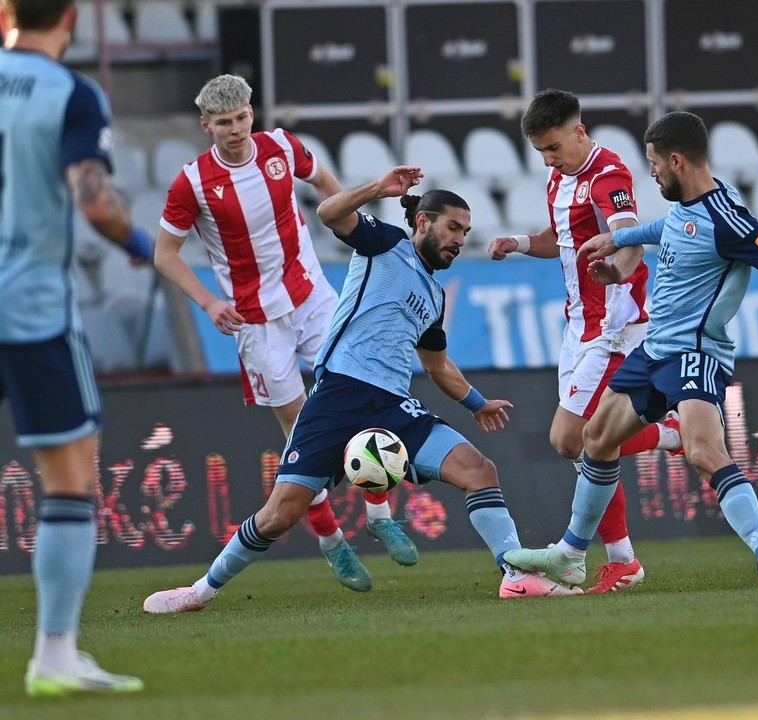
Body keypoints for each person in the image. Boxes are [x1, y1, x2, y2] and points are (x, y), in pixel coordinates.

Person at [142, 165, 581, 615]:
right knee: (280, 514)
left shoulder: (435, 295)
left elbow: (437, 365)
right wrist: (376, 189)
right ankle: (200, 591)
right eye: (452, 227)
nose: (459, 238)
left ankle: (516, 577)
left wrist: (477, 402)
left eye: (465, 231)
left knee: (479, 469)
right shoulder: (386, 243)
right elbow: (331, 214)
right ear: (424, 221)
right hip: (337, 397)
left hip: (392, 404)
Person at [505, 111, 758, 590]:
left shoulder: (730, 220)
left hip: (695, 352)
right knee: (595, 439)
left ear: (676, 161)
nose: (650, 172)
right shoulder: (689, 205)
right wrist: (618, 238)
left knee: (704, 452)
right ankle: (570, 555)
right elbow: (670, 229)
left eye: (654, 163)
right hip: (653, 350)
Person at [154, 74, 417, 593]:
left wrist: (360, 233)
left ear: (253, 112)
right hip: (254, 319)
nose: (235, 130)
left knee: (362, 394)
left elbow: (324, 186)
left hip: (313, 298)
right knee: (300, 433)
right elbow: (165, 253)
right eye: (224, 123)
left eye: (242, 117)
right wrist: (209, 302)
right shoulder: (193, 182)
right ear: (207, 125)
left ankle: (380, 512)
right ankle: (331, 542)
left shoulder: (280, 146)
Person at [0, 0, 150, 696]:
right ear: (69, 16)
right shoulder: (71, 94)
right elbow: (94, 200)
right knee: (67, 479)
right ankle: (55, 656)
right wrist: (140, 246)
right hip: (28, 308)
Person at [488, 89, 681, 593]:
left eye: (553, 147)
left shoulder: (609, 176)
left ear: (579, 130)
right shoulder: (559, 176)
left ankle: (670, 434)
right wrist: (519, 243)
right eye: (540, 151)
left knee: (569, 438)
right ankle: (623, 561)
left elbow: (629, 238)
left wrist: (616, 274)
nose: (547, 158)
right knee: (590, 451)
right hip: (577, 327)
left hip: (614, 329)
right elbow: (560, 240)